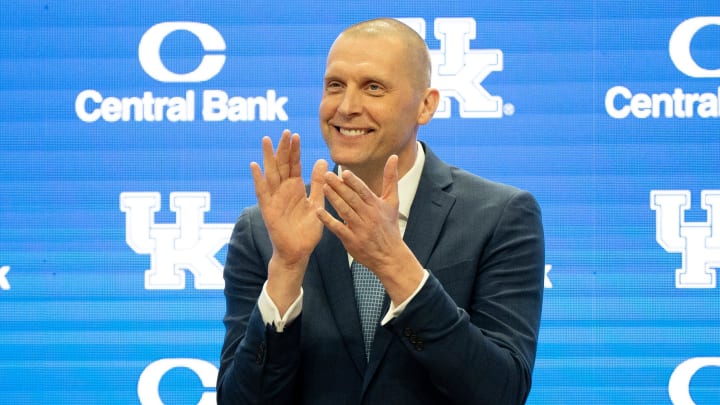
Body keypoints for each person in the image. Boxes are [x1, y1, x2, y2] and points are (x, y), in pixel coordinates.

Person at [217, 17, 544, 404]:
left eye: (373, 87)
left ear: (426, 105)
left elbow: (501, 391)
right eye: (335, 86)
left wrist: (396, 266)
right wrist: (287, 268)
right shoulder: (263, 230)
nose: (347, 107)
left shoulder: (500, 216)